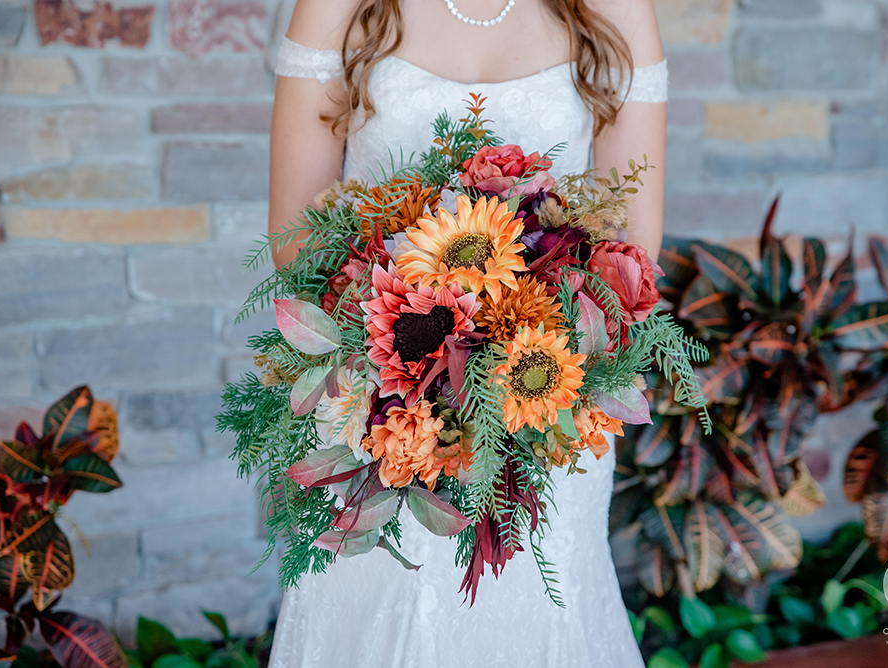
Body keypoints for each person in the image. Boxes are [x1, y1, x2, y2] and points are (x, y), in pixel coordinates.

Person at [265, 1, 667, 666]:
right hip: (379, 410)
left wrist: (512, 341)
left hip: (544, 404)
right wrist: (413, 345)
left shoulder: (615, 8)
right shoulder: (341, 6)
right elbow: (296, 242)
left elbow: (631, 253)